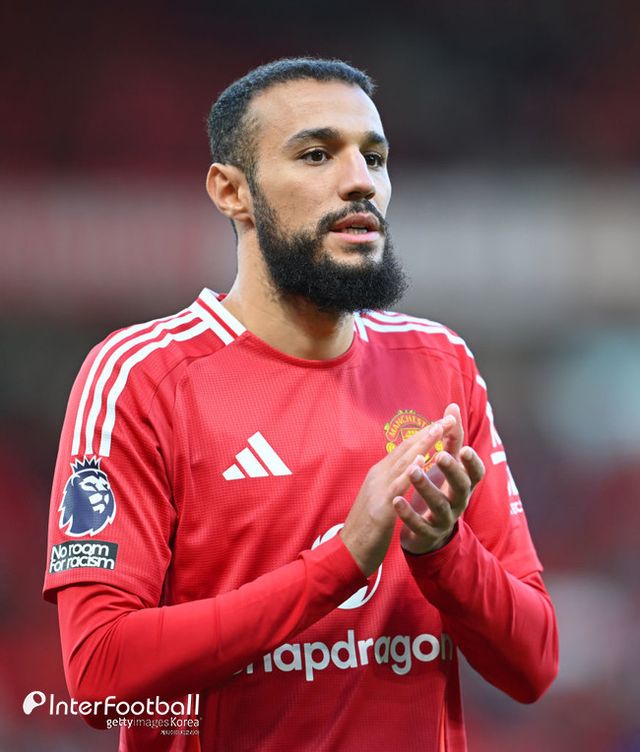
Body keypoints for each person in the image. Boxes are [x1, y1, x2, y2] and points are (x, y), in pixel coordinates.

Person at [43, 58, 558, 751]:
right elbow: (100, 674)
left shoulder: (439, 363)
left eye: (374, 158)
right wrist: (343, 562)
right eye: (317, 154)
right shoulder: (141, 377)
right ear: (233, 192)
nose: (360, 181)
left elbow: (533, 665)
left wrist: (443, 551)